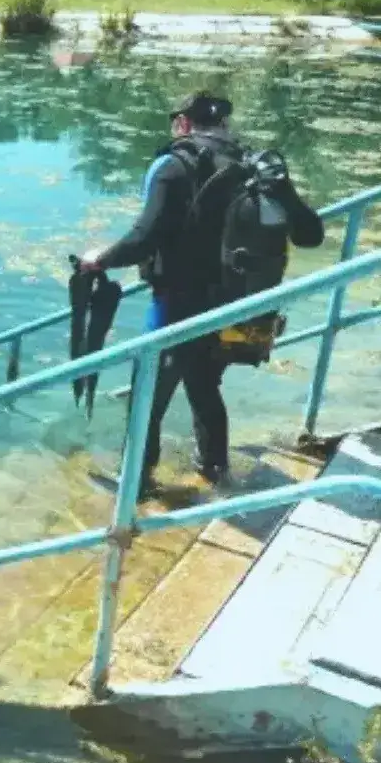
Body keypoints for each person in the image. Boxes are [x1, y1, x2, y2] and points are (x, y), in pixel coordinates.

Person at [79, 91, 324, 497]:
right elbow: (311, 235)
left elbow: (144, 237)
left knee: (148, 397)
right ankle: (215, 471)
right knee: (204, 385)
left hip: (177, 306)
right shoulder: (255, 169)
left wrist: (98, 260)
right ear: (225, 124)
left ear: (182, 124)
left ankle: (135, 485)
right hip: (235, 306)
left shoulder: (172, 166)